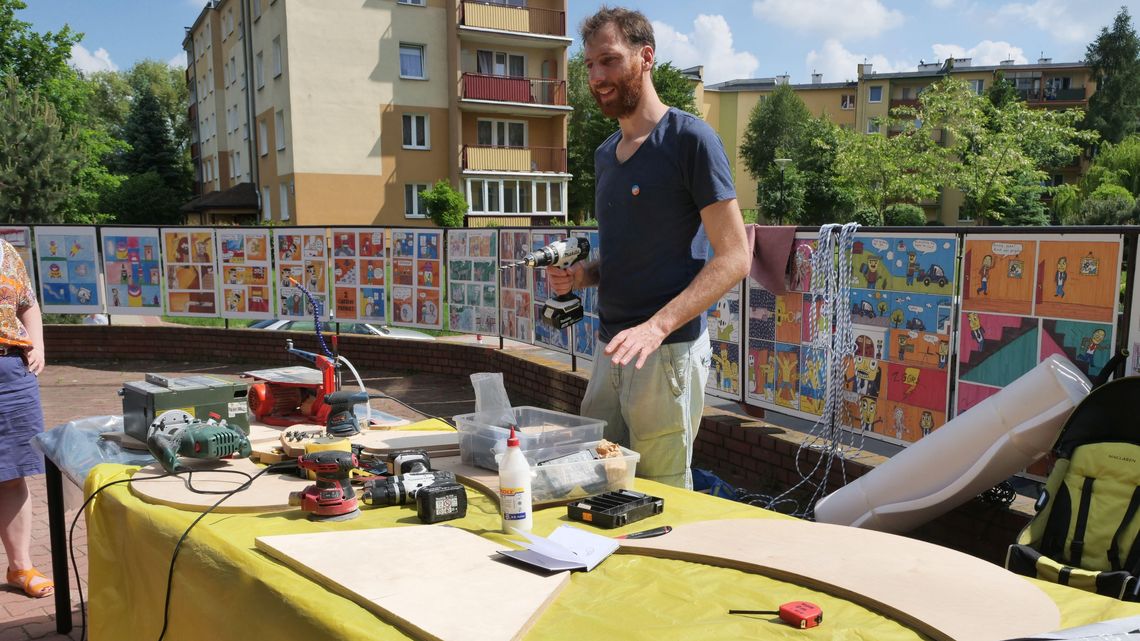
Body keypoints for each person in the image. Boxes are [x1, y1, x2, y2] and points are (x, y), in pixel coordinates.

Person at [549, 7, 749, 489]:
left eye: (609, 61)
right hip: (611, 349)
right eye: (590, 66)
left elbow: (735, 256)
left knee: (660, 498)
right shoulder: (605, 155)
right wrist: (584, 276)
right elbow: (629, 255)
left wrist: (657, 327)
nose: (597, 77)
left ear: (646, 57)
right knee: (597, 484)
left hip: (666, 356)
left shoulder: (690, 140)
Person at [0, 238, 53, 598]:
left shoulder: (5, 251)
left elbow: (27, 304)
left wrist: (38, 344)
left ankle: (20, 567)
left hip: (11, 373)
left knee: (13, 473)